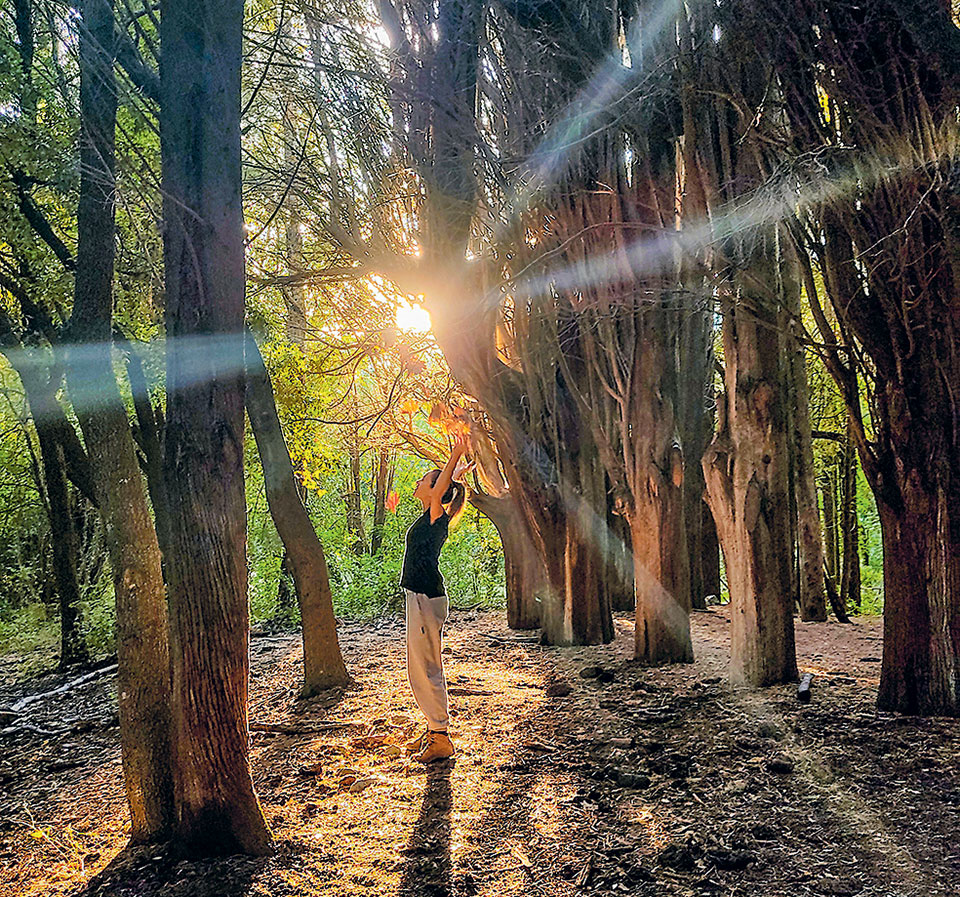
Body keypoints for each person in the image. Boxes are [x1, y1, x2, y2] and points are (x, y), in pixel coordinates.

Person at [401, 434, 469, 764]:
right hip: (419, 596)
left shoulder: (435, 514)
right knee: (418, 668)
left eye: (425, 479)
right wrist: (456, 477)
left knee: (427, 668)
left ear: (435, 491)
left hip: (425, 597)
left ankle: (441, 738)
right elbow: (446, 488)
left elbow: (443, 488)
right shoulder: (432, 515)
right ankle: (432, 731)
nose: (418, 480)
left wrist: (455, 453)